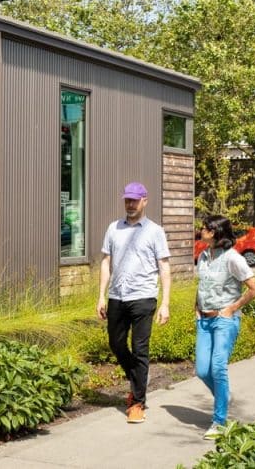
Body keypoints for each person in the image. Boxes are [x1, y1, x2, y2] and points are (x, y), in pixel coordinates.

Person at [97, 181, 171, 424]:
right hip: (117, 296)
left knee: (140, 349)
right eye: (127, 200)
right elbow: (106, 263)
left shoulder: (155, 231)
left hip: (143, 297)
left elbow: (164, 267)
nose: (130, 204)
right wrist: (101, 295)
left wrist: (165, 302)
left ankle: (138, 402)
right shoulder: (113, 228)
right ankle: (138, 377)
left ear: (144, 201)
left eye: (134, 200)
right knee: (116, 344)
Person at [195, 215, 255, 439]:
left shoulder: (233, 259)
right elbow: (202, 285)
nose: (200, 230)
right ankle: (224, 396)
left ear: (214, 232)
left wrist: (232, 308)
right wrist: (197, 307)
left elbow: (254, 289)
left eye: (204, 228)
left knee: (217, 368)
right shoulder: (203, 256)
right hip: (204, 320)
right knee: (202, 370)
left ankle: (219, 421)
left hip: (224, 320)